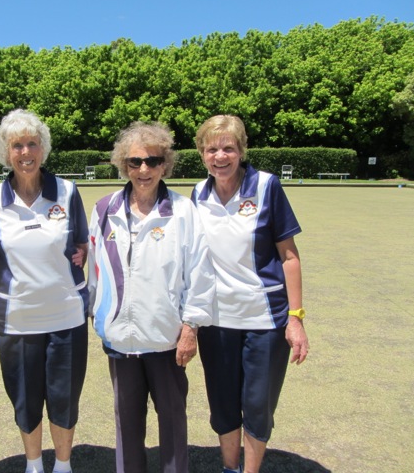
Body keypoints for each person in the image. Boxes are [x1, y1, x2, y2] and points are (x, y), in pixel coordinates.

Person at [87, 121, 215, 473]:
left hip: (166, 339)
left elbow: (200, 275)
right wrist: (99, 317)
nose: (143, 169)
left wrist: (190, 327)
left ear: (165, 164)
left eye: (153, 161)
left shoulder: (184, 210)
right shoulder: (103, 209)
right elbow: (95, 273)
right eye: (134, 162)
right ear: (123, 165)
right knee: (126, 424)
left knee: (172, 421)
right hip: (120, 339)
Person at [191, 115, 310, 473]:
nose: (220, 156)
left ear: (242, 150)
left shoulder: (267, 186)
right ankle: (230, 467)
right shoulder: (197, 194)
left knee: (257, 404)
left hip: (265, 320)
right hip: (217, 320)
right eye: (211, 149)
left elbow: (289, 257)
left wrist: (296, 318)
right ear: (202, 154)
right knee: (223, 404)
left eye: (228, 148)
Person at [0, 109, 89, 473]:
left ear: (43, 149)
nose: (25, 152)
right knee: (25, 399)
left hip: (66, 315)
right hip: (16, 318)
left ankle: (62, 463)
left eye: (32, 144)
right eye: (17, 145)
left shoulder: (68, 191)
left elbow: (80, 243)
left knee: (64, 395)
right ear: (5, 152)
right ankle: (33, 463)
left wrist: (84, 251)